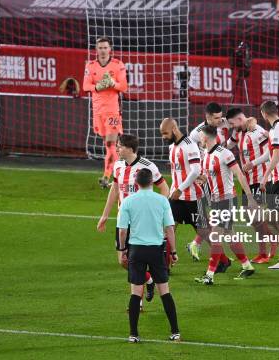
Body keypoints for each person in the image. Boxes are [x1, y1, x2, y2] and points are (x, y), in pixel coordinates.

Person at [97, 134, 169, 305]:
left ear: (130, 148)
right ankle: (149, 281)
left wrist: (157, 212)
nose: (117, 149)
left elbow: (165, 189)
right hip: (123, 221)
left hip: (141, 223)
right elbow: (114, 190)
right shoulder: (118, 166)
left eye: (119, 146)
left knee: (137, 261)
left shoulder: (148, 167)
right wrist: (105, 215)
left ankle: (138, 302)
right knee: (123, 261)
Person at [117, 168, 180, 343]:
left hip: (136, 250)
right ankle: (175, 331)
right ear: (152, 182)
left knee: (136, 292)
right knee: (165, 291)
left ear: (136, 183)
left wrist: (122, 250)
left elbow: (122, 231)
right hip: (156, 250)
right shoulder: (162, 201)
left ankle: (133, 334)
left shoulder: (128, 201)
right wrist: (173, 252)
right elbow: (169, 228)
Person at [194, 125, 257, 285]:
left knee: (216, 235)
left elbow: (239, 175)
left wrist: (249, 198)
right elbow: (208, 177)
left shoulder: (225, 154)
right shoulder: (206, 156)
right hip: (216, 201)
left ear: (206, 137)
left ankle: (209, 275)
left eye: (200, 136)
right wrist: (200, 180)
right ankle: (247, 265)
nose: (199, 138)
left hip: (226, 200)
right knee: (229, 234)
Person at [245, 101, 279, 270]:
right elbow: (271, 153)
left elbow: (274, 158)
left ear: (264, 114)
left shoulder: (275, 131)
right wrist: (254, 163)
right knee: (276, 221)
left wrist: (264, 178)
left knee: (277, 221)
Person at [225, 108, 276, 264]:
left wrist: (253, 163)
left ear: (241, 119)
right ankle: (274, 239)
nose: (233, 126)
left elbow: (271, 152)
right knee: (251, 217)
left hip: (260, 179)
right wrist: (233, 132)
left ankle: (266, 250)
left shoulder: (258, 131)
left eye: (233, 123)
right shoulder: (239, 132)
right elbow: (227, 147)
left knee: (257, 217)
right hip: (247, 180)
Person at [186, 102, 232, 264]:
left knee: (218, 216)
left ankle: (196, 244)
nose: (220, 121)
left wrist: (249, 121)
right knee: (218, 216)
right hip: (207, 176)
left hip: (221, 173)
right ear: (207, 117)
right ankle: (197, 245)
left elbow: (243, 121)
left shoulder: (224, 122)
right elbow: (192, 157)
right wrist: (198, 175)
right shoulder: (196, 134)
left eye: (221, 117)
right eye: (216, 118)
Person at [160, 118, 208, 264]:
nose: (163, 137)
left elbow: (195, 171)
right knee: (168, 228)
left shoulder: (190, 145)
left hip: (192, 197)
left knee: (205, 231)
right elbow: (185, 170)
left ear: (174, 129)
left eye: (165, 133)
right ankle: (165, 264)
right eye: (161, 134)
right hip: (175, 196)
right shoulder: (172, 147)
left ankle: (222, 260)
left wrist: (180, 189)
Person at [82, 37, 128, 189]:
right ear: (96, 49)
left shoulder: (117, 65)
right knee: (109, 146)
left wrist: (112, 83)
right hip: (98, 112)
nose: (102, 50)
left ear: (110, 49)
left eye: (105, 47)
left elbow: (123, 86)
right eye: (100, 48)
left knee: (110, 144)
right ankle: (116, 173)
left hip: (113, 111)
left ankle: (108, 176)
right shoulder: (91, 65)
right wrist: (98, 87)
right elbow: (85, 86)